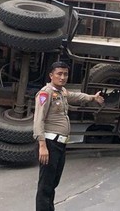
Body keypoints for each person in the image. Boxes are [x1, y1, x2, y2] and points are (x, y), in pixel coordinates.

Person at [34, 61, 105, 211]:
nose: (62, 77)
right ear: (51, 75)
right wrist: (42, 146)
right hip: (50, 143)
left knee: (53, 182)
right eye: (59, 74)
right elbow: (38, 120)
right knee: (45, 185)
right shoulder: (45, 93)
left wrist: (92, 97)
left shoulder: (61, 92)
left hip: (60, 144)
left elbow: (75, 96)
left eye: (65, 74)